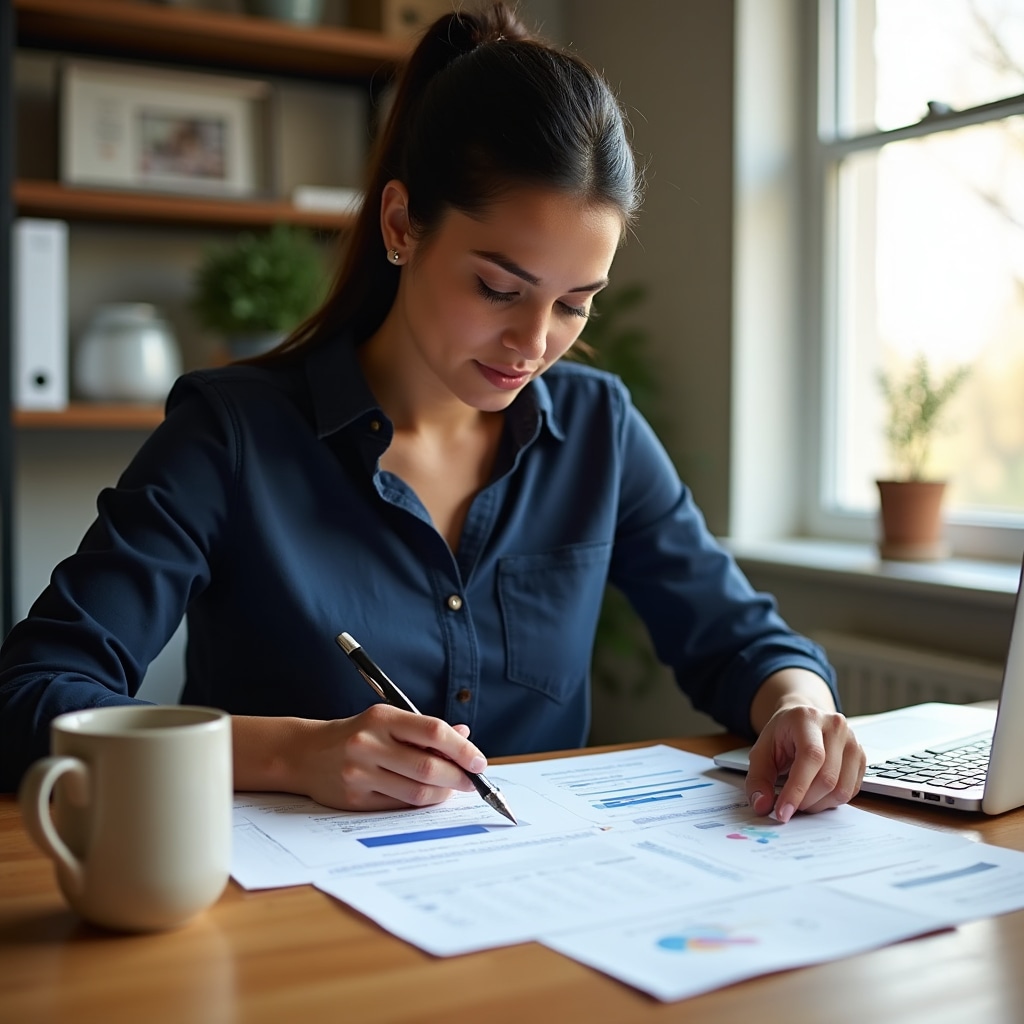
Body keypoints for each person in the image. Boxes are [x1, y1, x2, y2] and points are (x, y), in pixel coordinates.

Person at [0, 3, 865, 822]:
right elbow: (33, 695)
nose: (533, 343)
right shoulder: (232, 435)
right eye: (498, 288)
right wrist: (291, 755)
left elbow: (738, 637)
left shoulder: (597, 429)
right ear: (403, 224)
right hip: (285, 936)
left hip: (535, 910)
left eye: (575, 303)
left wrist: (800, 704)